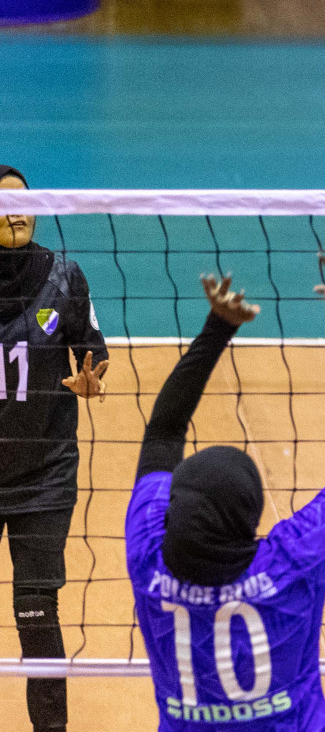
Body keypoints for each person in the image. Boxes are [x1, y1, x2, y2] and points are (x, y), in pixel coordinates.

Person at [125, 238, 325, 730]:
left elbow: (163, 432)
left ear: (172, 512)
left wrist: (217, 330)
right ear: (251, 519)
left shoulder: (148, 555)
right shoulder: (293, 561)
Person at [0, 165, 109, 732]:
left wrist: (93, 377)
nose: (16, 210)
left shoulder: (64, 279)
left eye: (26, 201)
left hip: (42, 477)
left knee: (36, 611)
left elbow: (95, 351)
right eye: (3, 203)